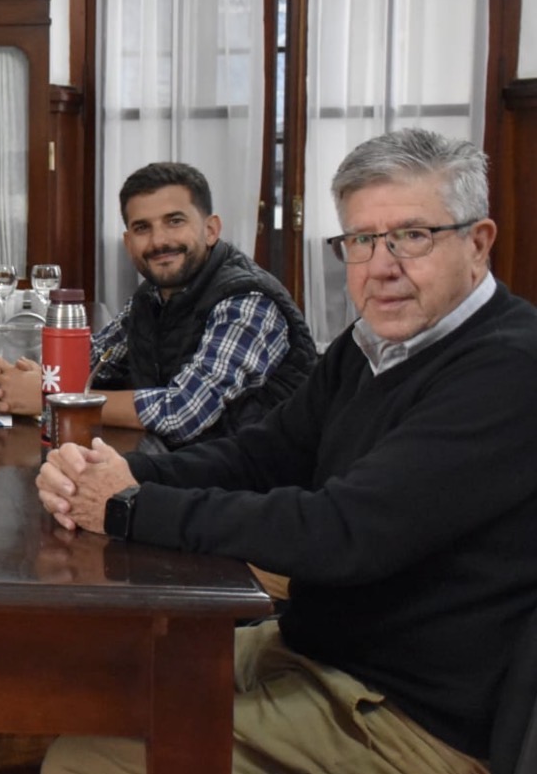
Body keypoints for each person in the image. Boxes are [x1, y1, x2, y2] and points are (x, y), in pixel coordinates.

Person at [36, 129, 537, 773]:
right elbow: (260, 456)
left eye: (412, 236)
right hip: (316, 651)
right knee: (88, 682)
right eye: (361, 240)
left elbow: (341, 531)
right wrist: (120, 471)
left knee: (87, 759)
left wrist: (129, 506)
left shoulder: (508, 368)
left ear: (478, 242)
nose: (381, 266)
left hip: (403, 713)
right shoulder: (371, 344)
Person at [0, 161, 316, 450]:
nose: (159, 241)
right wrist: (11, 380)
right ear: (128, 242)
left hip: (252, 491)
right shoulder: (153, 295)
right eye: (142, 228)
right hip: (177, 470)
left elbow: (182, 411)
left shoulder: (247, 300)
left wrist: (52, 397)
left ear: (211, 229)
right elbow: (93, 362)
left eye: (175, 221)